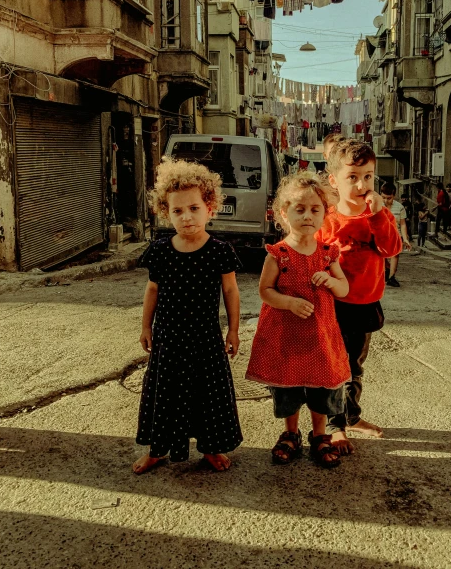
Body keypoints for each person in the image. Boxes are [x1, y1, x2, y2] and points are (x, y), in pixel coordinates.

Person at [133, 158, 243, 475]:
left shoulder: (220, 251)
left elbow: (231, 292)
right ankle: (157, 450)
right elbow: (152, 290)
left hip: (206, 340)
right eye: (178, 211)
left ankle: (210, 449)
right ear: (166, 212)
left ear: (210, 207)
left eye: (194, 208)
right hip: (168, 339)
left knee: (208, 397)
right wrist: (145, 326)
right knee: (164, 395)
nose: (187, 217)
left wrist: (233, 331)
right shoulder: (160, 251)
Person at [246, 172, 350, 469]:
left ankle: (319, 435)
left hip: (320, 338)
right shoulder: (278, 254)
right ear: (284, 213)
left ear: (325, 214)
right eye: (299, 209)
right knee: (288, 387)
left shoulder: (329, 254)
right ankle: (290, 433)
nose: (307, 216)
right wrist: (288, 302)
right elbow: (265, 291)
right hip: (286, 337)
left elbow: (344, 289)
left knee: (321, 388)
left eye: (315, 210)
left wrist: (330, 279)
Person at [317, 139, 402, 453]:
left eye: (367, 176)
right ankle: (333, 426)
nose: (361, 184)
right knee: (333, 366)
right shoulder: (327, 219)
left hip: (365, 304)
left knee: (354, 367)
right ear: (334, 181)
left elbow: (392, 249)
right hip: (332, 305)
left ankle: (351, 417)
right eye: (352, 177)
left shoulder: (380, 215)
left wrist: (379, 216)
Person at [380, 182, 412, 288]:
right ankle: (386, 269)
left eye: (389, 198)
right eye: (383, 197)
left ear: (394, 196)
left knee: (395, 255)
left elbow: (403, 224)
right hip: (380, 235)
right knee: (380, 255)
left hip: (395, 235)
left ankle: (391, 277)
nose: (386, 200)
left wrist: (405, 238)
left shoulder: (400, 208)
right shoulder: (377, 206)